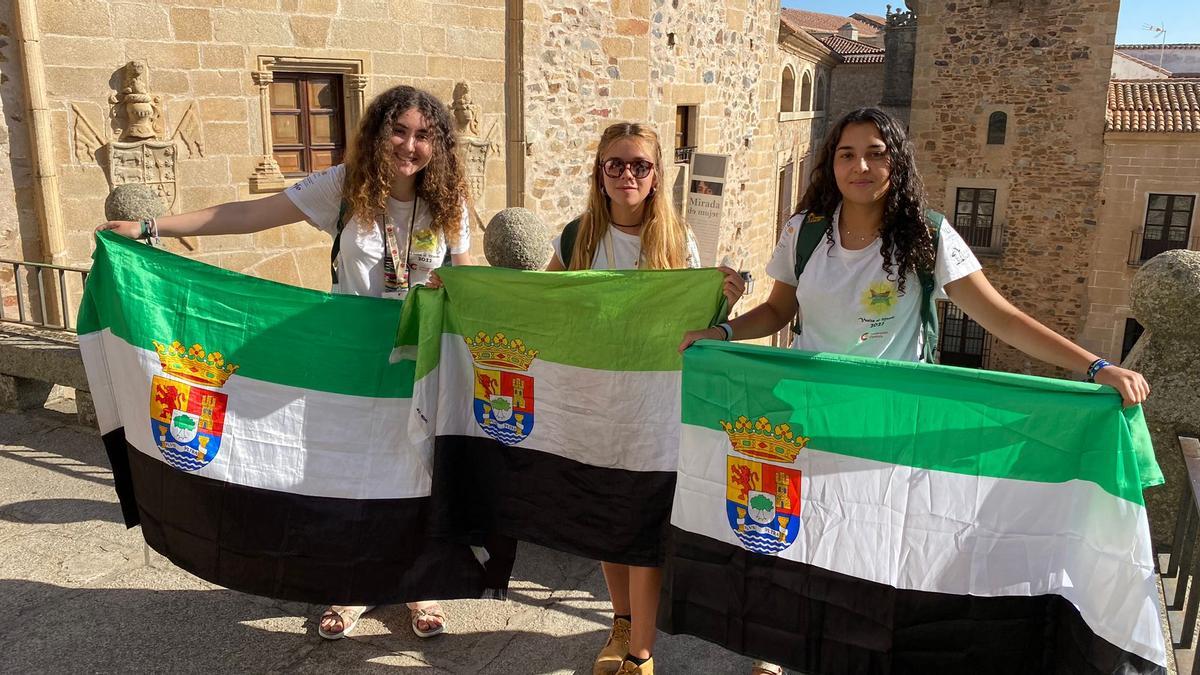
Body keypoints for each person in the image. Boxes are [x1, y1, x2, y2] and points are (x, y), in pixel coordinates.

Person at [678, 107, 1149, 675]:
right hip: (808, 417)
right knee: (802, 540)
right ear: (831, 163)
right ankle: (793, 648)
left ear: (896, 163)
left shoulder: (926, 235)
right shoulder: (804, 233)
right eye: (848, 153)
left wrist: (1095, 366)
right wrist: (723, 332)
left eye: (877, 152)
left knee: (872, 545)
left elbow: (999, 317)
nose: (861, 165)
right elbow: (779, 309)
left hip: (892, 427)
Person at [98, 84, 473, 642]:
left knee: (418, 472)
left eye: (423, 135)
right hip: (350, 364)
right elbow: (251, 213)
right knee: (347, 471)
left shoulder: (449, 201)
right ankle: (349, 588)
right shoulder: (345, 188)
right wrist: (153, 228)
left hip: (421, 361)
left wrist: (460, 288)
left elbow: (467, 275)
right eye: (399, 130)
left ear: (437, 145)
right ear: (378, 133)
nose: (410, 145)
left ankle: (416, 584)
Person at [546, 122, 745, 675]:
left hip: (657, 405)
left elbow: (696, 327)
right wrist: (467, 289)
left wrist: (725, 304)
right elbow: (544, 304)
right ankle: (622, 624)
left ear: (658, 175)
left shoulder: (678, 241)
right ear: (600, 172)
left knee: (645, 525)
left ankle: (640, 653)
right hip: (597, 400)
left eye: (640, 165)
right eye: (615, 164)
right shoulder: (576, 237)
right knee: (609, 520)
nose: (627, 174)